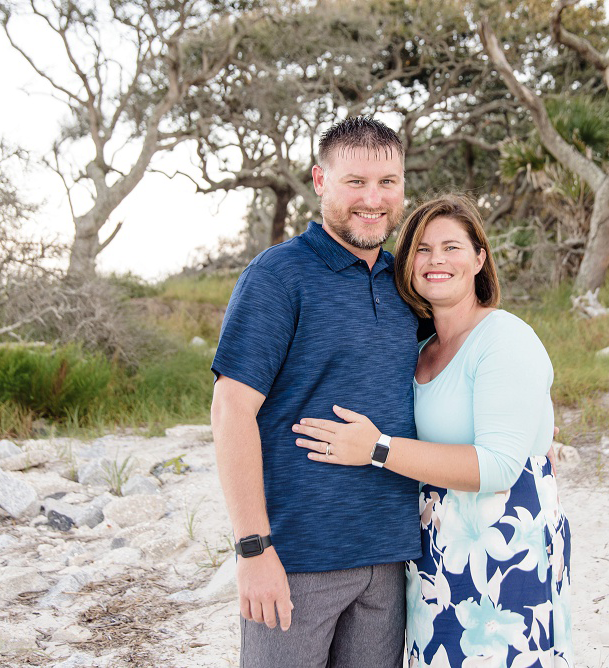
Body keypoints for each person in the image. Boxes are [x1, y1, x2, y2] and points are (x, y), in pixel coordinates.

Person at [293, 195, 574, 668]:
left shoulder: (504, 337)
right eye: (421, 249)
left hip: (505, 552)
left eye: (452, 247)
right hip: (437, 557)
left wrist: (376, 449)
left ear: (480, 258)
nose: (436, 260)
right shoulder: (422, 348)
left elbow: (500, 466)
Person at [209, 117, 421, 668]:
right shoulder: (279, 276)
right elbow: (231, 410)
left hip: (391, 558)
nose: (373, 199)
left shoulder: (406, 284)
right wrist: (254, 549)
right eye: (355, 182)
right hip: (298, 558)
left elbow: (465, 354)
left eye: (387, 182)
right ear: (320, 181)